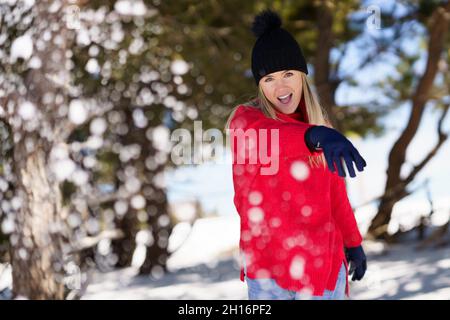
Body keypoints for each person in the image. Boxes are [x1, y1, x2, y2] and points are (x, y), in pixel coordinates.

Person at [225, 9, 367, 300]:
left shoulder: (319, 128)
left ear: (302, 75)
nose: (281, 87)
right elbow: (270, 140)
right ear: (260, 85)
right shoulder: (246, 122)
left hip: (322, 270)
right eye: (269, 79)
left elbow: (336, 196)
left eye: (288, 73)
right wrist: (312, 137)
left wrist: (353, 243)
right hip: (269, 273)